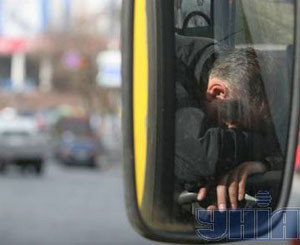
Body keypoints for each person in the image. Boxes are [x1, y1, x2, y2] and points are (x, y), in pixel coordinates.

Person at [175, 47, 282, 211]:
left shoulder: (214, 64)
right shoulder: (169, 69)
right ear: (217, 92)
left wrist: (264, 165)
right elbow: (207, 155)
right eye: (237, 126)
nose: (235, 134)